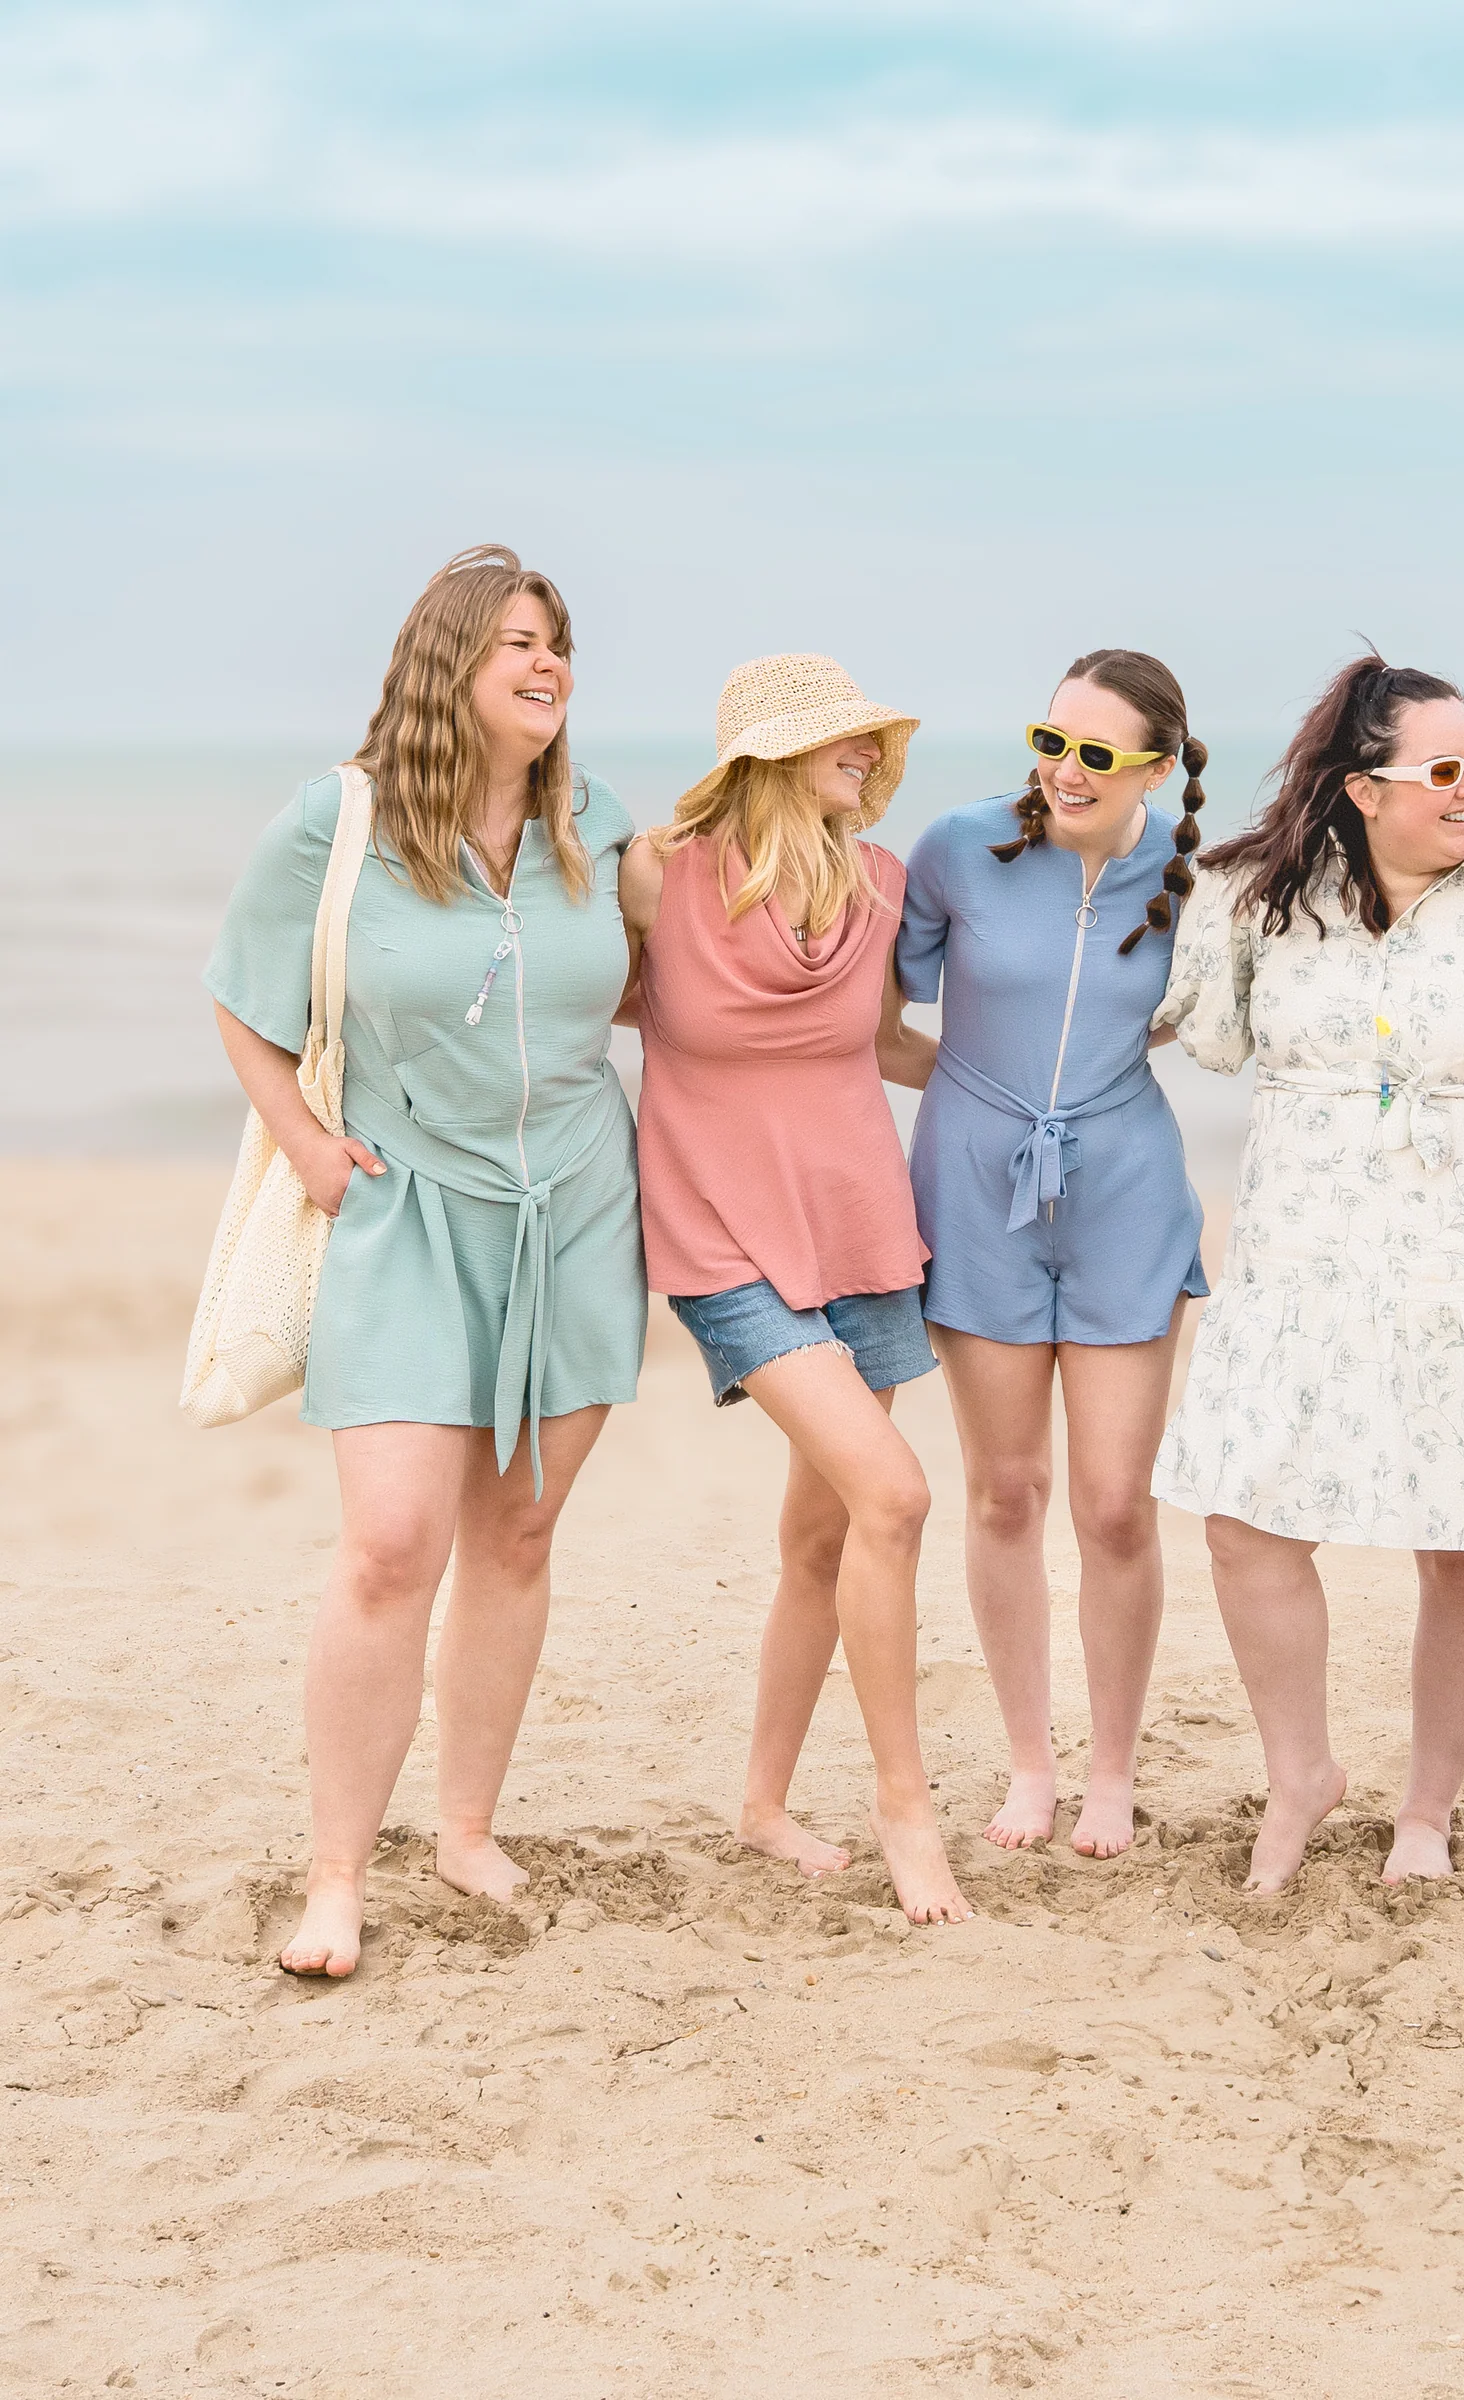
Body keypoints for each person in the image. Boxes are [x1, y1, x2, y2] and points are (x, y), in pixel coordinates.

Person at [206, 545, 647, 1977]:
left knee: (517, 1535)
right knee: (395, 1543)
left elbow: (709, 975)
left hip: (576, 1208)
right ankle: (336, 1873)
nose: (543, 662)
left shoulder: (596, 820)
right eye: (512, 640)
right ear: (444, 665)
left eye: (555, 641)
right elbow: (244, 1006)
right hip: (402, 1211)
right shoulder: (333, 825)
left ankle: (465, 1828)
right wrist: (309, 1147)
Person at [1152, 654, 1464, 1893]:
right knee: (1245, 1520)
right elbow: (1207, 1037)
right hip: (1301, 1242)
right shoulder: (1253, 897)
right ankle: (1302, 1772)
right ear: (1359, 788)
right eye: (1443, 771)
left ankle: (1429, 1809)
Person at [622, 653, 969, 1926]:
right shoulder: (660, 876)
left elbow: (883, 1045)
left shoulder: (879, 884)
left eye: (874, 739)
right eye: (843, 738)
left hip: (859, 1230)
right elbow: (577, 1007)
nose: (867, 755)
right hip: (719, 1239)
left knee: (822, 1535)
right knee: (897, 1495)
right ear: (767, 755)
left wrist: (1050, 1092)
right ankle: (903, 1806)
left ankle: (764, 1805)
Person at [896, 651, 1211, 1858]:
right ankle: (1032, 1766)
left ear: (1157, 766)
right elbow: (866, 1013)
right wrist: (975, 1091)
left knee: (1115, 1504)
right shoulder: (959, 847)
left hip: (1126, 1192)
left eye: (1095, 753)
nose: (1061, 770)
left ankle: (1115, 1773)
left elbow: (1222, 1011)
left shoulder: (1192, 884)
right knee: (1007, 1489)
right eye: (1051, 740)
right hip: (975, 1193)